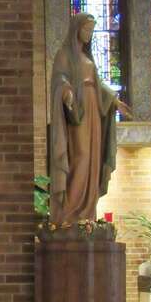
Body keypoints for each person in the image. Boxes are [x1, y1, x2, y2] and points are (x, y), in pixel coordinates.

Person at [49, 13, 132, 224]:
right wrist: (66, 92)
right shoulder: (65, 54)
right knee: (81, 156)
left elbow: (97, 83)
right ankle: (68, 213)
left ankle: (86, 214)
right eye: (86, 30)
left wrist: (115, 101)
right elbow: (59, 78)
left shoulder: (87, 57)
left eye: (92, 31)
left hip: (94, 107)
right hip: (79, 109)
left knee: (93, 160)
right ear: (76, 29)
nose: (89, 34)